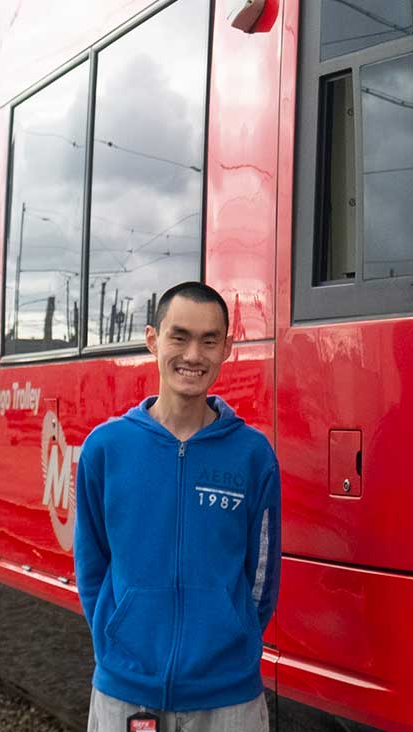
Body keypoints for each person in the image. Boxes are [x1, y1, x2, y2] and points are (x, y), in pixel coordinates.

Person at [74, 281, 280, 732]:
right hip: (125, 692)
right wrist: (121, 645)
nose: (193, 355)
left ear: (227, 348)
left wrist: (230, 637)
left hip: (228, 699)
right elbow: (92, 567)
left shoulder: (252, 456)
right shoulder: (106, 449)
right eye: (179, 336)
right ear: (153, 339)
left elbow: (261, 579)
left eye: (209, 341)